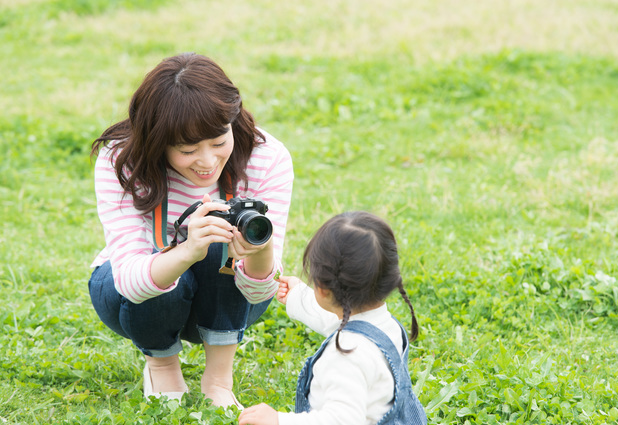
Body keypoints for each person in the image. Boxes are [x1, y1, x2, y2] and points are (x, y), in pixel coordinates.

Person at [88, 52, 293, 408]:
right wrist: (185, 250)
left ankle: (218, 379)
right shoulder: (121, 159)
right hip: (127, 295)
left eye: (218, 142)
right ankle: (162, 364)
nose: (208, 161)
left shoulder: (267, 157)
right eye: (187, 150)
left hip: (231, 297)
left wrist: (259, 250)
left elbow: (261, 293)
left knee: (220, 235)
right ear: (157, 141)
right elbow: (128, 282)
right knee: (194, 243)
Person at [238, 211, 428, 425]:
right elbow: (339, 321)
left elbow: (341, 420)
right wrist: (299, 297)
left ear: (323, 288)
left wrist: (278, 420)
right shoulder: (386, 327)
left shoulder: (346, 355)